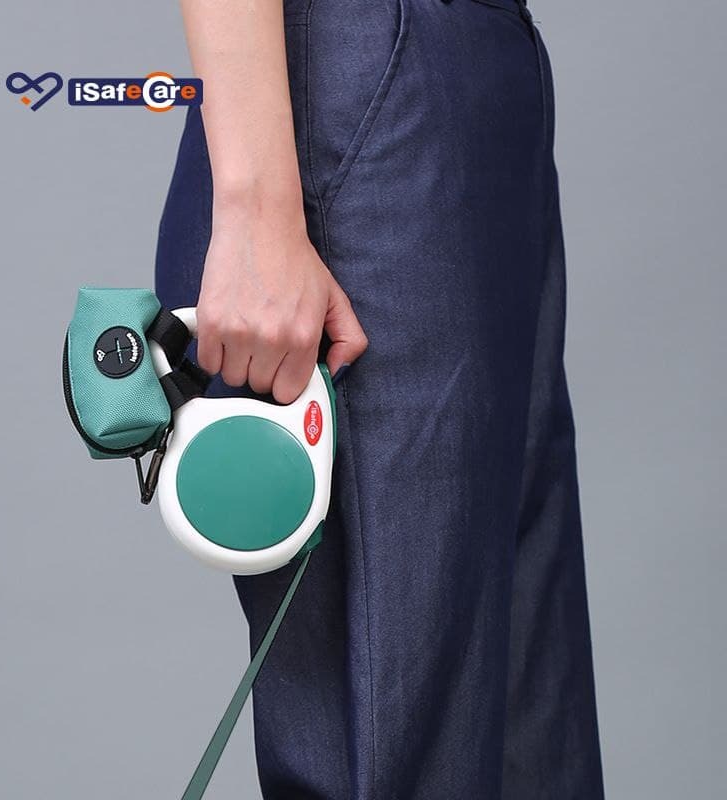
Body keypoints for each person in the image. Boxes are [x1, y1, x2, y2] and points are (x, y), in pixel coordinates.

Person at [156, 0, 605, 797]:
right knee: (395, 745)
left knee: (523, 737)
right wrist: (256, 212)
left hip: (477, 79)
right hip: (368, 93)